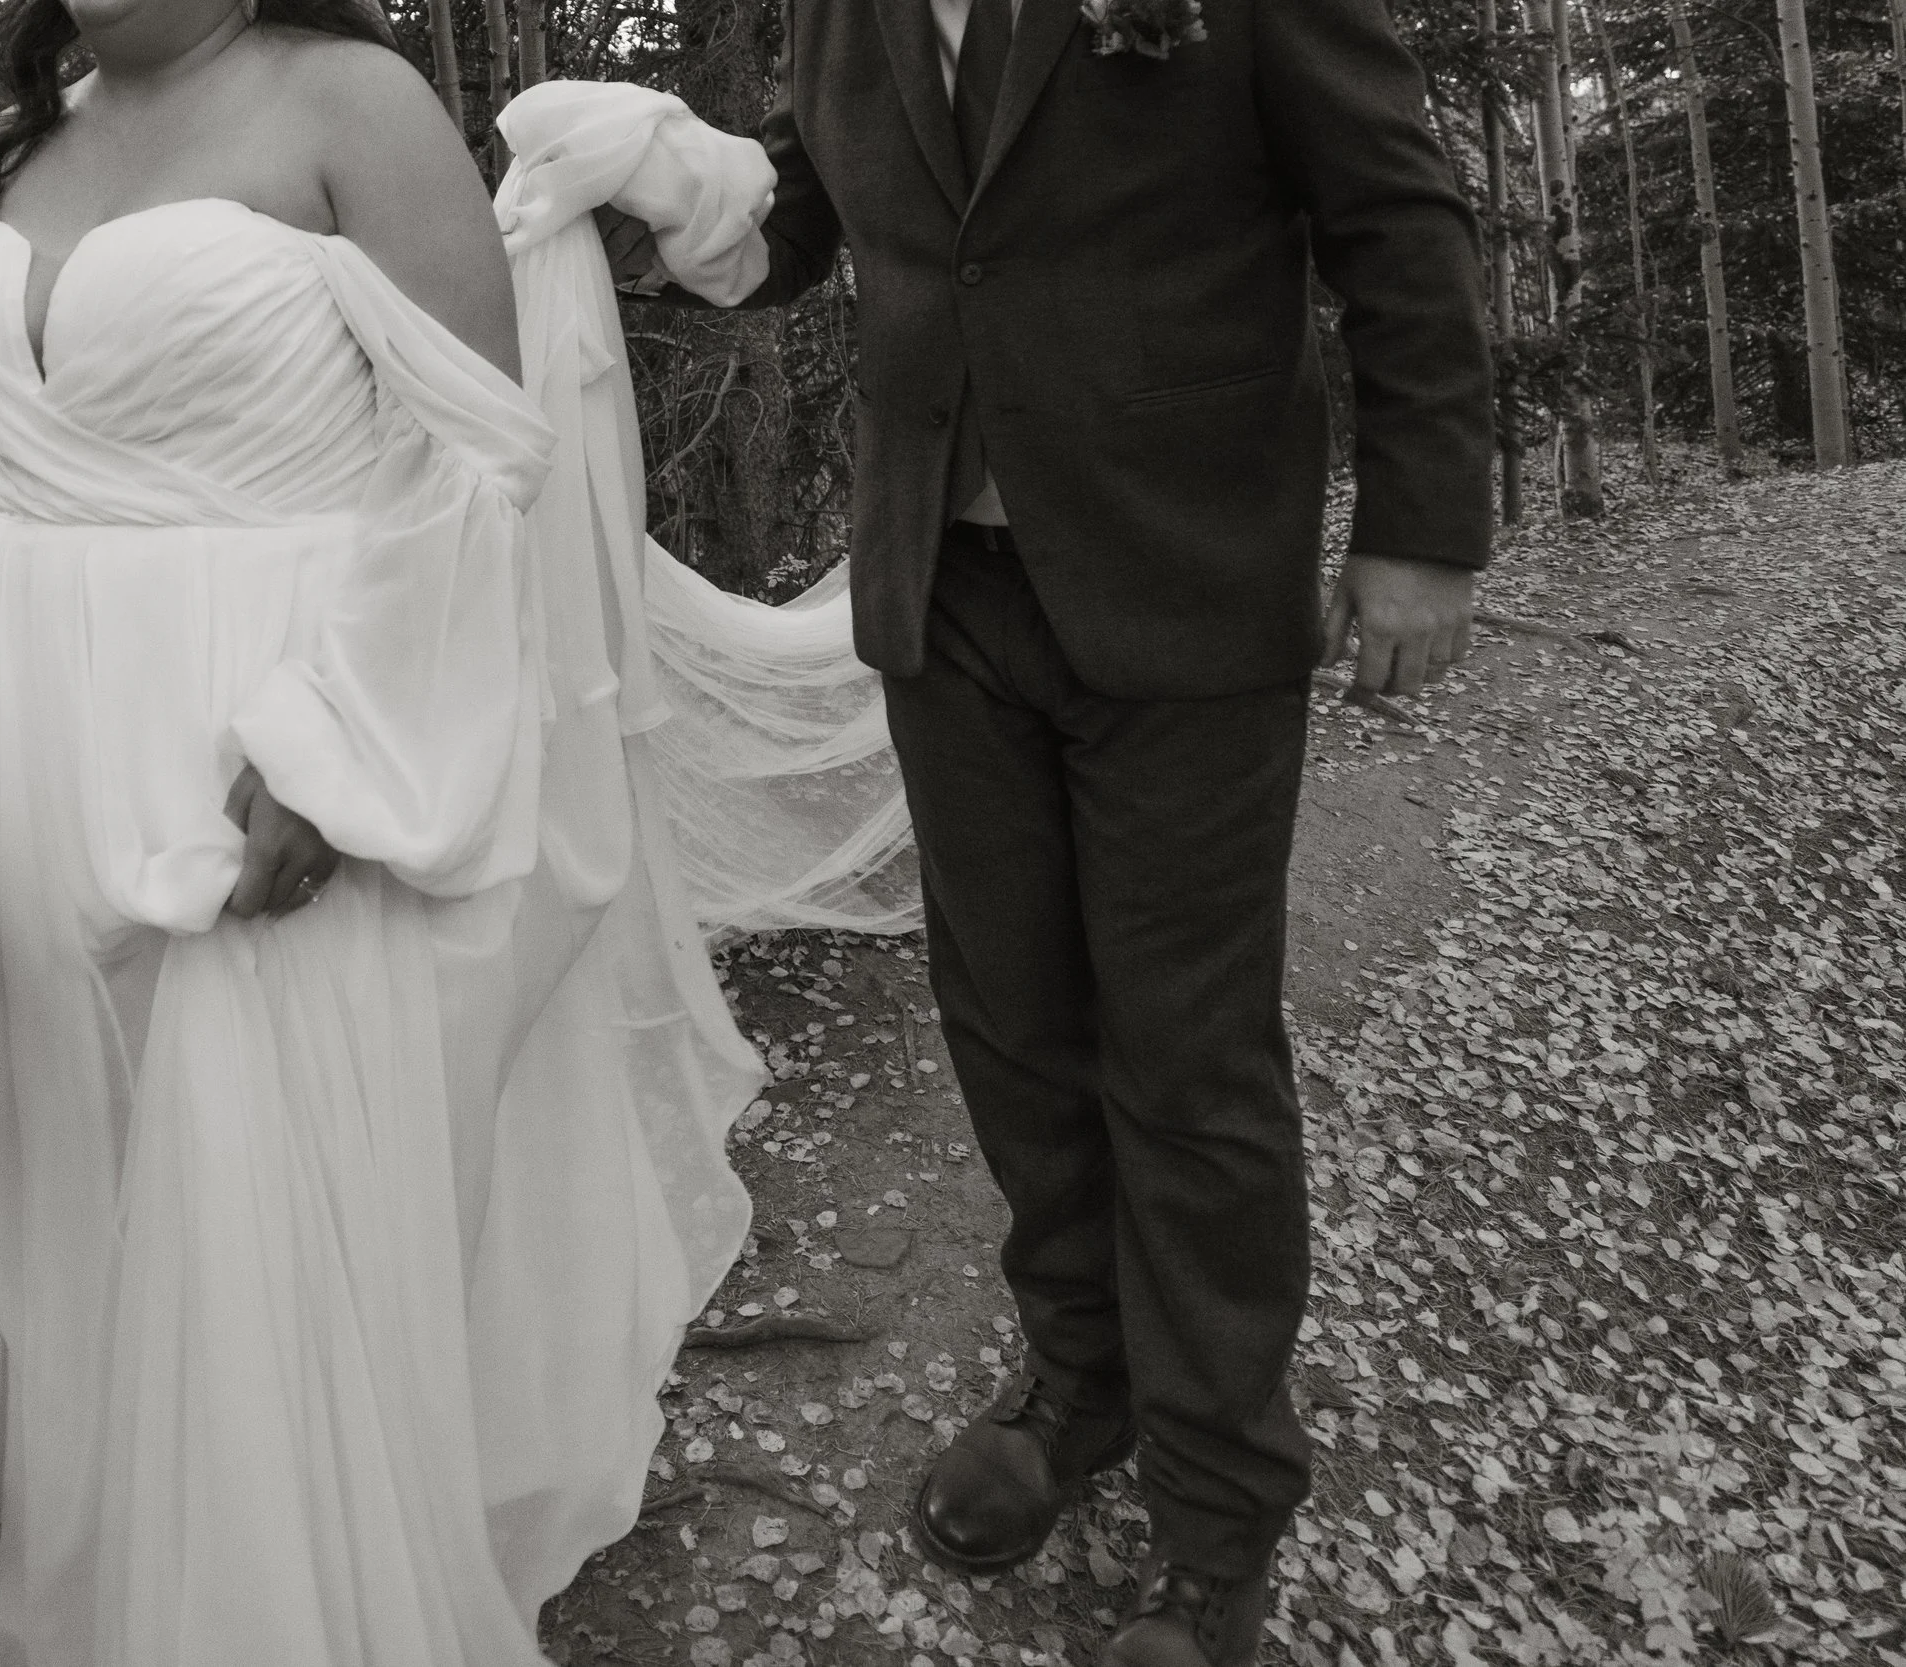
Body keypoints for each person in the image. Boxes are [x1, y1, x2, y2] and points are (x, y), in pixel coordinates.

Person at [0, 5, 761, 1662]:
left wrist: (337, 744)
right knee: (77, 1187)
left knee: (259, 1228)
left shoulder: (348, 102)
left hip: (259, 772)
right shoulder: (29, 143)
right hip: (30, 765)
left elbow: (477, 452)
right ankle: (117, 1568)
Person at [605, 0, 1495, 1658]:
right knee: (1011, 1025)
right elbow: (800, 218)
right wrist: (660, 187)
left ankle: (1221, 1512)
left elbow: (1396, 212)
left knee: (1188, 1059)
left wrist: (1426, 526)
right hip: (943, 594)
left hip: (1184, 572)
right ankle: (1080, 1388)